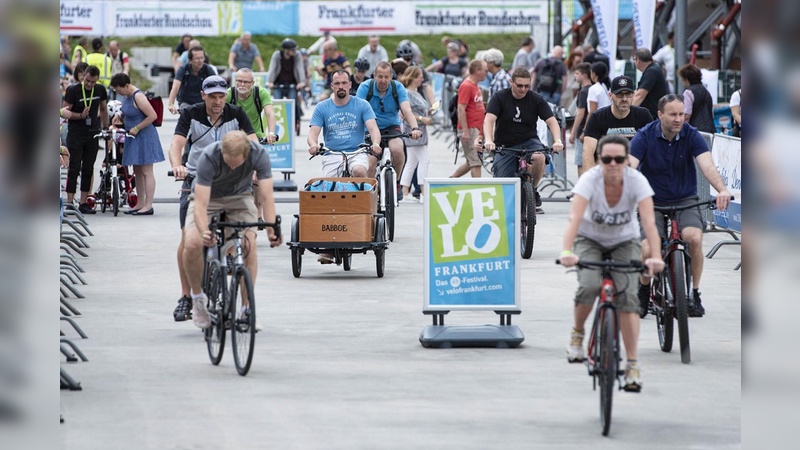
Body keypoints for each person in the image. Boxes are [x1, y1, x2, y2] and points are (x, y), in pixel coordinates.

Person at [560, 134, 665, 392]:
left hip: (624, 241)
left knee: (628, 298)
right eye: (607, 159)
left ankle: (631, 364)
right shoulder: (589, 180)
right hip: (590, 239)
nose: (613, 164)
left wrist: (656, 257)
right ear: (599, 161)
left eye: (619, 159)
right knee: (589, 285)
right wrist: (566, 251)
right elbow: (574, 218)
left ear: (627, 160)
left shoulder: (637, 181)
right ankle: (577, 334)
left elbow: (649, 223)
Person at [630, 94, 733, 318]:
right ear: (660, 115)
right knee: (648, 249)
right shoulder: (644, 136)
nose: (679, 119)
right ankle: (644, 288)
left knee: (693, 238)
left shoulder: (691, 135)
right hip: (651, 201)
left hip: (684, 198)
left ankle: (694, 293)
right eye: (673, 114)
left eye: (681, 114)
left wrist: (722, 189)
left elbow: (707, 166)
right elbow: (630, 168)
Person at [167, 76, 258, 322]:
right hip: (196, 180)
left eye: (221, 96)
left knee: (246, 239)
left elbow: (252, 141)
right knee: (189, 239)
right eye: (213, 96)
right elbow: (176, 144)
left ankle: (246, 305)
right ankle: (187, 297)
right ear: (203, 95)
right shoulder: (191, 114)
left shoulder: (236, 113)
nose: (218, 101)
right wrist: (178, 166)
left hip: (231, 186)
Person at [180, 130, 281, 329]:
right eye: (228, 162)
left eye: (237, 163)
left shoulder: (259, 154)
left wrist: (271, 230)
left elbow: (267, 196)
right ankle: (198, 299)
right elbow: (200, 204)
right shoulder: (209, 156)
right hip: (208, 199)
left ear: (247, 153)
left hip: (240, 198)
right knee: (192, 243)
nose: (232, 167)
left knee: (249, 244)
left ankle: (246, 307)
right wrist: (203, 231)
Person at [482, 67, 564, 212]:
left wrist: (557, 140)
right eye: (519, 85)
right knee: (503, 186)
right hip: (505, 143)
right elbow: (489, 120)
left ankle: (533, 190)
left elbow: (551, 121)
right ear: (511, 82)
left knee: (540, 157)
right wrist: (489, 140)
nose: (523, 89)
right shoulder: (500, 97)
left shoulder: (536, 99)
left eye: (527, 86)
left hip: (529, 141)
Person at [307, 69, 383, 180]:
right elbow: (312, 134)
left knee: (359, 171)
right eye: (337, 83)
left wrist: (376, 143)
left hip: (357, 153)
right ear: (332, 86)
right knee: (330, 188)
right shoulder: (322, 107)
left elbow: (373, 129)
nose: (341, 86)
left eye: (344, 83)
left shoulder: (362, 105)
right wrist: (313, 145)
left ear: (350, 85)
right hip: (332, 154)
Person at [356, 61, 422, 182]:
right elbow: (357, 112)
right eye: (380, 76)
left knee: (398, 149)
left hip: (391, 126)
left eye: (386, 77)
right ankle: (371, 188)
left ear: (391, 77)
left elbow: (407, 111)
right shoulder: (365, 88)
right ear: (374, 76)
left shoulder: (397, 88)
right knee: (370, 162)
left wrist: (415, 128)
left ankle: (396, 182)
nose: (383, 80)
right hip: (370, 128)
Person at [109, 73, 165, 215]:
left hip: (144, 135)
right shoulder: (127, 96)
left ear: (127, 86)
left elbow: (152, 116)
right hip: (133, 136)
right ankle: (140, 202)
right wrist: (120, 116)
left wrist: (137, 128)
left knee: (147, 171)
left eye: (119, 90)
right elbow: (129, 112)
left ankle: (148, 204)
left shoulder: (138, 96)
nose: (118, 92)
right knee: (138, 171)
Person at [62, 65, 109, 214]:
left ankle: (83, 202)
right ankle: (70, 201)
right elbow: (64, 113)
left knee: (88, 168)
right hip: (76, 133)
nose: (89, 84)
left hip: (92, 133)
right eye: (87, 80)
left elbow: (103, 109)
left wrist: (105, 127)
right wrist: (80, 116)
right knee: (74, 167)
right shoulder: (73, 90)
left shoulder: (100, 90)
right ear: (83, 76)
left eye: (92, 82)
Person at [582, 75, 653, 170]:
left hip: (635, 173)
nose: (624, 99)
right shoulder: (597, 117)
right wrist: (591, 179)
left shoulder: (643, 115)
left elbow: (653, 147)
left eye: (628, 94)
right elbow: (588, 152)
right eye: (619, 94)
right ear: (610, 96)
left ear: (633, 95)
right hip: (606, 171)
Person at [398, 67, 432, 203]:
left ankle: (405, 191)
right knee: (425, 159)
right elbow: (404, 114)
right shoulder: (407, 93)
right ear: (413, 77)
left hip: (420, 131)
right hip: (413, 131)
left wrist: (428, 112)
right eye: (419, 76)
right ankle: (423, 191)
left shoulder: (417, 92)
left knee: (411, 162)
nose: (422, 79)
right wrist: (421, 119)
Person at [451, 59, 488, 179]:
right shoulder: (467, 86)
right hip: (470, 129)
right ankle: (477, 190)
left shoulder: (475, 86)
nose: (486, 73)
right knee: (475, 162)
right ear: (478, 71)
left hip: (476, 128)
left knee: (471, 160)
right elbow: (461, 108)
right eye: (485, 71)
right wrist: (465, 130)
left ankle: (451, 180)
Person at [228, 68, 276, 144]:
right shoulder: (229, 94)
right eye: (240, 81)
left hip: (255, 137)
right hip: (234, 138)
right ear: (235, 81)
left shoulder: (261, 93)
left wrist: (271, 133)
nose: (242, 84)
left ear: (252, 83)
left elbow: (270, 114)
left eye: (246, 82)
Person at [168, 46, 216, 114]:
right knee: (187, 115)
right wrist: (171, 104)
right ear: (190, 60)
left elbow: (216, 85)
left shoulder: (208, 69)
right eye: (197, 58)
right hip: (186, 102)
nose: (200, 61)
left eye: (202, 58)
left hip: (203, 103)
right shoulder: (183, 69)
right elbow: (175, 87)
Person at [569, 63, 593, 176]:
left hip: (582, 130)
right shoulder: (594, 89)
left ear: (584, 75)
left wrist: (573, 132)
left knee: (581, 162)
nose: (575, 76)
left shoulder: (583, 92)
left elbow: (580, 113)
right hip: (589, 130)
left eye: (577, 73)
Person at [632, 48, 670, 119]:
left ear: (638, 60)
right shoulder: (653, 69)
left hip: (653, 117)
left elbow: (640, 95)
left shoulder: (651, 72)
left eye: (634, 59)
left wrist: (629, 112)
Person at [678, 64, 716, 134]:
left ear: (686, 79)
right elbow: (711, 113)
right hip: (710, 129)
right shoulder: (706, 91)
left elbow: (687, 115)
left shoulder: (688, 92)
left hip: (695, 130)